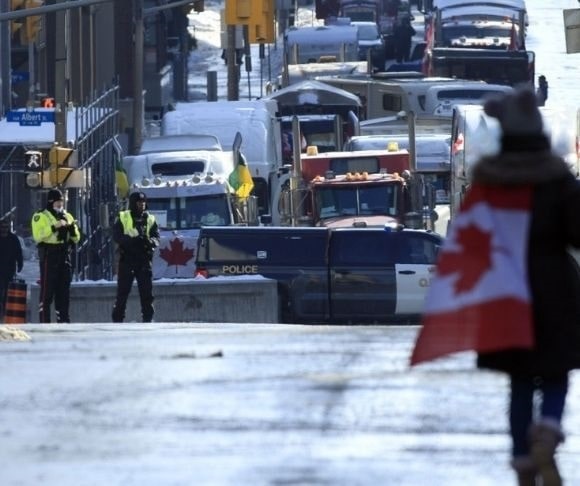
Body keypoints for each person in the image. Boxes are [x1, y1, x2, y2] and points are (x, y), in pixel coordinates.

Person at [411, 88, 580, 486]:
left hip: (506, 292)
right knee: (555, 372)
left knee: (520, 380)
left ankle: (522, 458)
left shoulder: (490, 184)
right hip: (556, 287)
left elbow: (468, 241)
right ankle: (549, 429)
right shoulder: (558, 180)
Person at [31, 189, 81, 323]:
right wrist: (54, 227)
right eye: (57, 202)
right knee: (47, 292)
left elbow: (76, 238)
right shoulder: (40, 216)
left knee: (64, 292)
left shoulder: (67, 216)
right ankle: (44, 322)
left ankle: (64, 321)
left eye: (62, 201)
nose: (60, 204)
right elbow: (38, 236)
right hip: (50, 255)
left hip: (64, 255)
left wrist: (72, 230)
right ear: (51, 202)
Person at [112, 191, 160, 323]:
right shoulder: (123, 216)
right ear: (133, 203)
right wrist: (132, 240)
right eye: (139, 202)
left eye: (144, 202)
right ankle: (117, 320)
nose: (142, 205)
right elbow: (117, 236)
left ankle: (148, 319)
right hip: (127, 259)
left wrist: (150, 242)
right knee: (123, 293)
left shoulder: (150, 218)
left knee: (147, 294)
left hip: (144, 259)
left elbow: (156, 236)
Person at [0, 218, 23, 321]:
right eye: (2, 227)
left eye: (6, 227)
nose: (4, 229)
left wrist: (20, 264)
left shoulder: (13, 239)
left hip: (9, 269)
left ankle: (5, 309)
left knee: (7, 291)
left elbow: (18, 252)